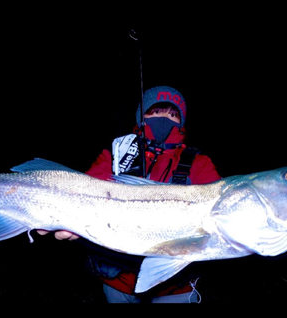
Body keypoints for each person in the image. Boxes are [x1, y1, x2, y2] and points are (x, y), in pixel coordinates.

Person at [38, 86, 221, 303]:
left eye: (173, 114)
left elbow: (218, 210)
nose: (164, 118)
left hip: (174, 287)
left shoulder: (199, 163)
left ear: (181, 123)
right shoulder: (117, 153)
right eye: (155, 111)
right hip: (118, 281)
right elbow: (84, 190)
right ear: (140, 116)